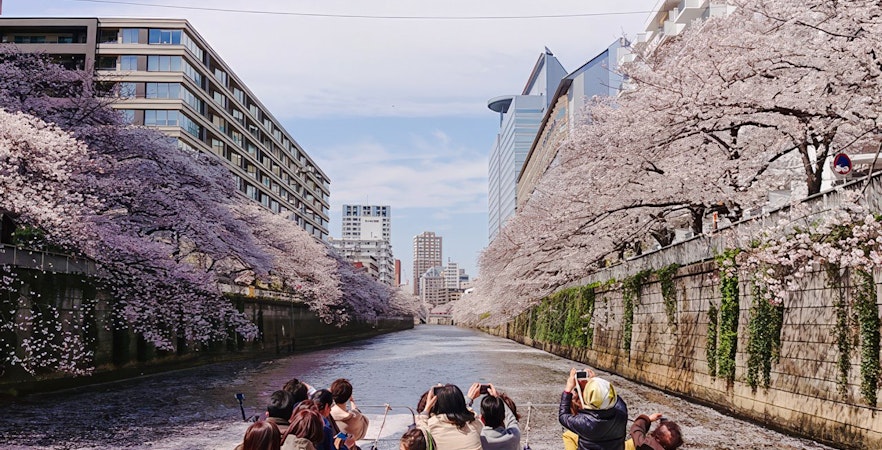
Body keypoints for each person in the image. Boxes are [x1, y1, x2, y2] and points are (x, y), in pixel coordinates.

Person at [559, 368, 628, 450]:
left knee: (568, 435)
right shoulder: (621, 414)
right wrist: (597, 385)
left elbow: (563, 416)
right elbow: (611, 397)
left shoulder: (586, 423)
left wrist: (568, 388)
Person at [416, 384, 482, 450]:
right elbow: (465, 412)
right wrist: (468, 400)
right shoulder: (473, 422)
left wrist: (426, 409)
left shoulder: (433, 424)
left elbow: (421, 428)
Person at [466, 383, 520, 450]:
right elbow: (511, 418)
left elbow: (463, 421)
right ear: (503, 417)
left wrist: (469, 399)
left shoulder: (477, 438)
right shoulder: (513, 436)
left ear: (482, 419)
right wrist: (497, 398)